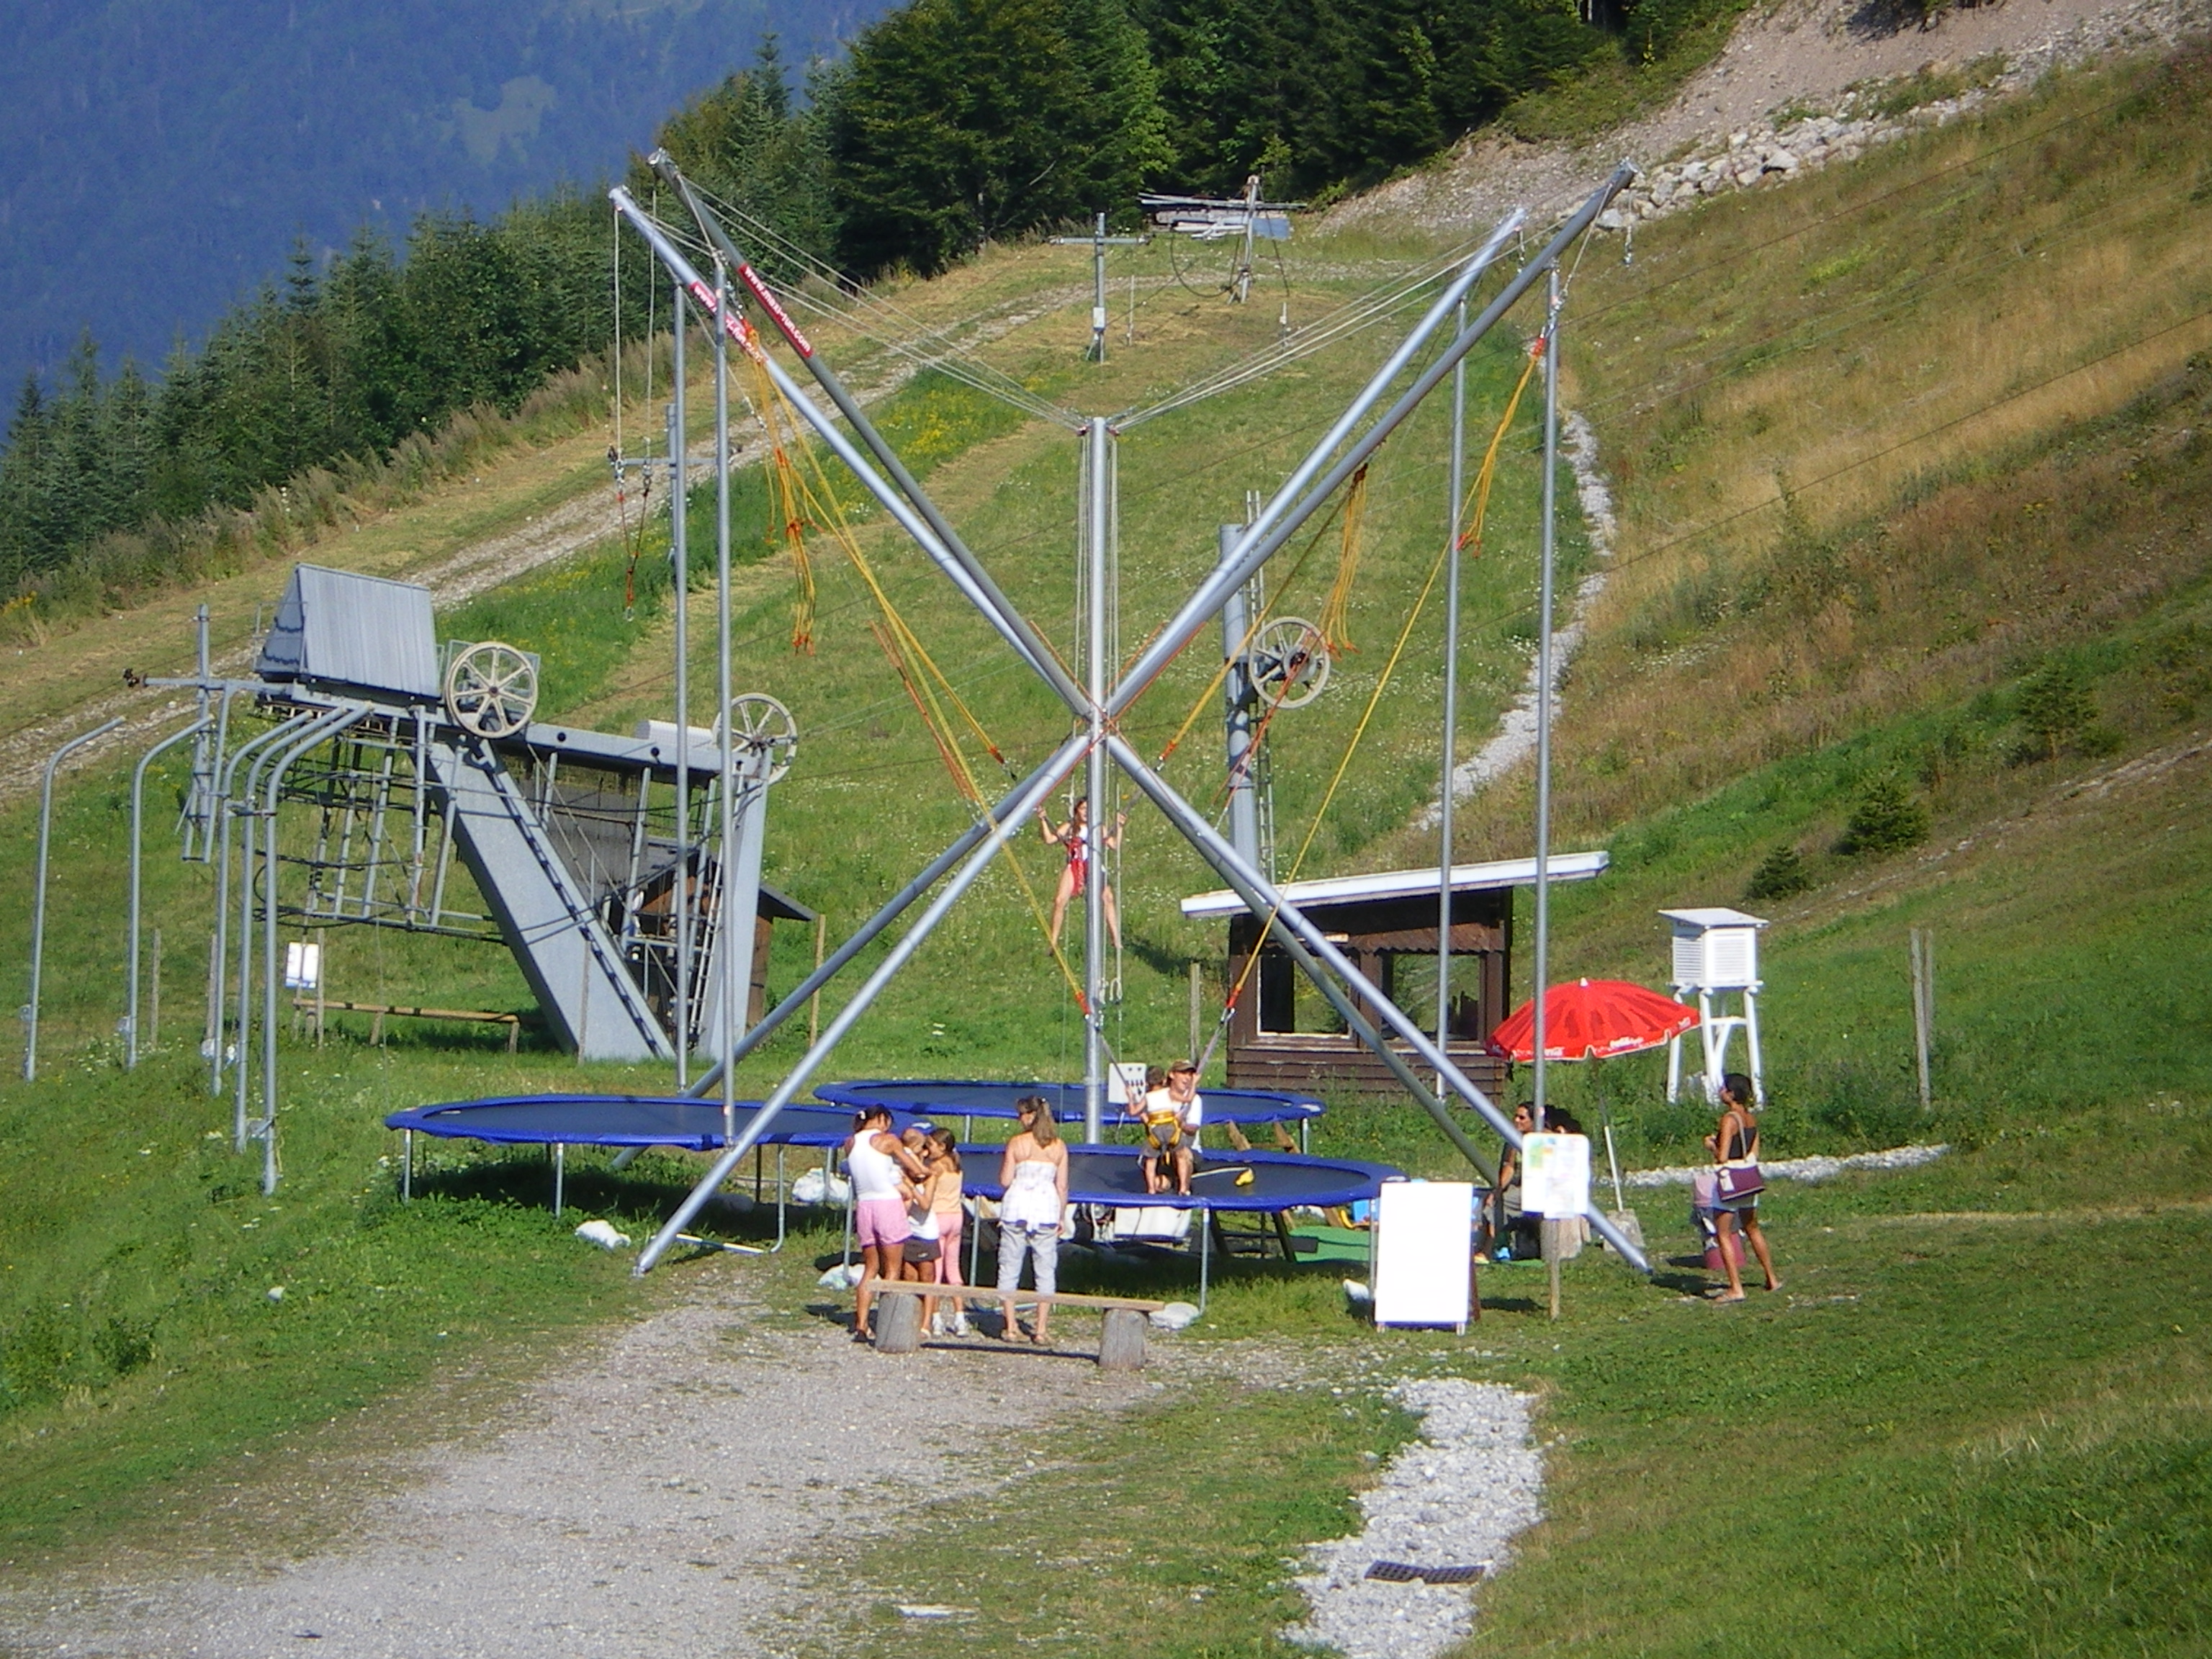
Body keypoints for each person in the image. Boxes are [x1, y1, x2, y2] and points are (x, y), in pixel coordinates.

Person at [845, 1106, 930, 1342]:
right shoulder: (888, 1140)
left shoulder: (850, 1142)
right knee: (893, 1269)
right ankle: (887, 1323)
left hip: (865, 1206)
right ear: (882, 1119)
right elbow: (915, 1168)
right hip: (887, 1204)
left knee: (870, 1268)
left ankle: (861, 1325)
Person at [995, 1095, 1070, 1344]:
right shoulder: (1059, 1146)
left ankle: (1010, 1326)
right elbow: (1062, 1186)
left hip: (1017, 1206)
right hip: (1046, 1207)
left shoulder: (1017, 1143)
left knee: (1009, 1265)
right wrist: (1061, 1216)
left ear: (1030, 1116)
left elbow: (1006, 1180)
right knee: (1045, 1269)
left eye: (1021, 1114)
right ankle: (1041, 1329)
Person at [1710, 1072, 1781, 1303]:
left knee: (1723, 1234)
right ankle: (1771, 1278)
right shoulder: (1750, 1118)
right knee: (1752, 1228)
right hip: (1748, 1181)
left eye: (1724, 1088)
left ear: (1731, 1094)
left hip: (1730, 1182)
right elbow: (1753, 1151)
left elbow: (1722, 1157)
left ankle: (1736, 1288)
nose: (1720, 1091)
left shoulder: (1729, 1119)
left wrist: (1711, 1145)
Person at [1037, 797, 1125, 952]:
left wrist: (1120, 827)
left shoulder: (1098, 827)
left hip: (1094, 864)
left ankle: (1116, 940)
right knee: (1059, 900)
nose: (1086, 812)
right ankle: (1053, 942)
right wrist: (1043, 820)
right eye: (1083, 808)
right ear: (1077, 810)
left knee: (1108, 898)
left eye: (1089, 809)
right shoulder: (1071, 826)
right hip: (1075, 864)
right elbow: (1050, 839)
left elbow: (1114, 845)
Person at [923, 1128, 970, 1336]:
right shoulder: (956, 1165)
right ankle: (960, 1318)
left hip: (939, 1217)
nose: (927, 1150)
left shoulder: (936, 1167)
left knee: (936, 1271)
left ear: (941, 1147)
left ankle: (936, 1319)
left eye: (930, 1146)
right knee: (953, 1269)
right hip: (956, 1217)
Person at [1135, 1059, 1202, 1197]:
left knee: (1183, 1154)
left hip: (1186, 1149)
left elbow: (1192, 1130)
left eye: (1190, 1074)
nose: (1187, 1078)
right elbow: (1152, 1130)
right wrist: (1147, 1122)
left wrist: (1180, 1123)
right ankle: (1165, 1183)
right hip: (1163, 1151)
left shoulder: (1194, 1100)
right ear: (1172, 1075)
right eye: (1183, 1073)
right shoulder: (1157, 1097)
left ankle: (1183, 1188)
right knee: (1159, 1184)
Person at [1487, 1102, 1539, 1261]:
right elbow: (1510, 1168)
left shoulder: (1542, 1139)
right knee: (1493, 1202)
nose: (1517, 1120)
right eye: (1516, 1116)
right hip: (1520, 1188)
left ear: (1534, 1121)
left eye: (1522, 1118)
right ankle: (1492, 1246)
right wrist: (1497, 1190)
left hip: (1537, 1188)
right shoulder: (1516, 1140)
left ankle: (1488, 1248)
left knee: (1500, 1204)